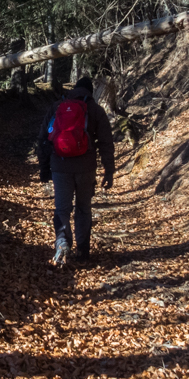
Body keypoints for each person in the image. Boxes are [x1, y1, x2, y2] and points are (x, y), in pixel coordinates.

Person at [37, 75, 115, 265]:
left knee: (62, 208)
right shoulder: (95, 110)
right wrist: (109, 171)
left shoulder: (57, 107)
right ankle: (83, 249)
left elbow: (43, 139)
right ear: (90, 91)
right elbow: (106, 143)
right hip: (86, 168)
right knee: (83, 208)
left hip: (60, 166)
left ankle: (62, 241)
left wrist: (44, 167)